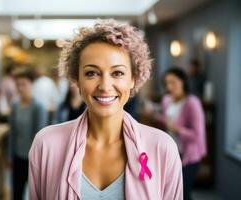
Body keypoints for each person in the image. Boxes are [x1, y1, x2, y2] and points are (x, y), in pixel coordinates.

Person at [29, 19, 183, 200]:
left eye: (117, 73)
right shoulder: (46, 144)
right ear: (76, 80)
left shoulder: (162, 148)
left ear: (133, 78)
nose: (105, 86)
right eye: (91, 73)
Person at [161, 67, 207, 200]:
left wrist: (177, 129)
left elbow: (197, 136)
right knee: (172, 192)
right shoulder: (166, 100)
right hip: (172, 152)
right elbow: (167, 121)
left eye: (173, 82)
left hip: (190, 155)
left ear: (183, 82)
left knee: (183, 191)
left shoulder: (192, 103)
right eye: (167, 83)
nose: (169, 86)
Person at [10, 70, 48, 200]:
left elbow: (39, 136)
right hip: (17, 156)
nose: (20, 88)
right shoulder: (15, 105)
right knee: (16, 191)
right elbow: (12, 132)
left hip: (33, 158)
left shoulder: (38, 106)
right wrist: (9, 155)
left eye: (24, 84)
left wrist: (37, 160)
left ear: (31, 84)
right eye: (18, 85)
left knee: (36, 193)